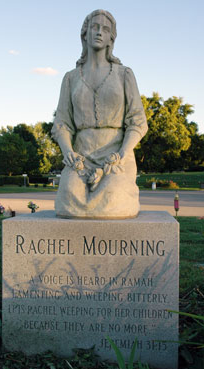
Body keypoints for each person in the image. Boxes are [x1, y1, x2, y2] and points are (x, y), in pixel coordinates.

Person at [52, 9, 148, 218]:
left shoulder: (124, 74)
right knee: (69, 197)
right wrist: (68, 152)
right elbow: (62, 123)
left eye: (105, 29)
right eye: (94, 27)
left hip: (116, 156)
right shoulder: (70, 78)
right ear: (84, 34)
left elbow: (138, 121)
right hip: (80, 157)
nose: (99, 32)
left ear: (111, 38)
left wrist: (122, 154)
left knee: (111, 200)